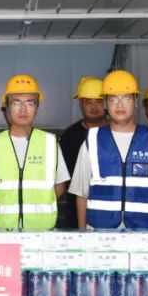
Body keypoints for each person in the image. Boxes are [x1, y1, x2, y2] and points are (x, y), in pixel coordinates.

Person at [70, 70, 148, 230]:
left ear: (135, 102)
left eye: (126, 99)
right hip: (99, 232)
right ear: (106, 104)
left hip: (144, 232)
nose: (120, 105)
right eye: (113, 99)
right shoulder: (92, 140)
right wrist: (83, 235)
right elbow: (81, 195)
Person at [0, 74, 70, 231]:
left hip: (42, 231)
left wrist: (40, 204)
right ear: (7, 108)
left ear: (37, 108)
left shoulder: (50, 142)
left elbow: (60, 185)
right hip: (3, 230)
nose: (23, 109)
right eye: (16, 103)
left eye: (29, 103)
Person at [58, 77, 105, 229]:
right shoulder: (70, 135)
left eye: (99, 101)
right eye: (88, 102)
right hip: (74, 207)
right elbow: (62, 177)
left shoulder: (115, 132)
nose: (94, 106)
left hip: (109, 206)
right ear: (81, 104)